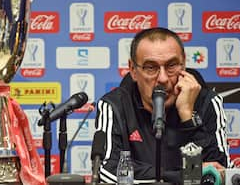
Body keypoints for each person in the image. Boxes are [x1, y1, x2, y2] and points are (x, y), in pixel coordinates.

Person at [94, 27, 231, 184]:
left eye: (171, 65)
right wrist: (182, 176)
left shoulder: (208, 102)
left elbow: (220, 172)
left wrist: (188, 115)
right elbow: (107, 170)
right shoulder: (115, 105)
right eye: (151, 67)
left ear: (184, 64)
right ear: (133, 70)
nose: (163, 78)